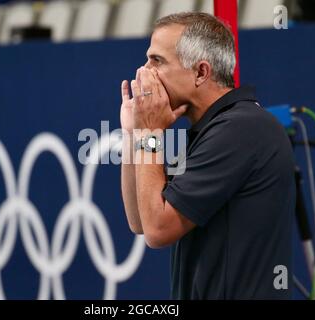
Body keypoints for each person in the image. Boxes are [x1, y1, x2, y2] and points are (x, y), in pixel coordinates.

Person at [120, 12, 295, 299]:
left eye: (157, 61)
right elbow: (139, 221)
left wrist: (149, 132)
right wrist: (133, 135)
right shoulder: (210, 130)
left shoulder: (241, 128)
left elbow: (157, 230)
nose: (144, 71)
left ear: (201, 72)